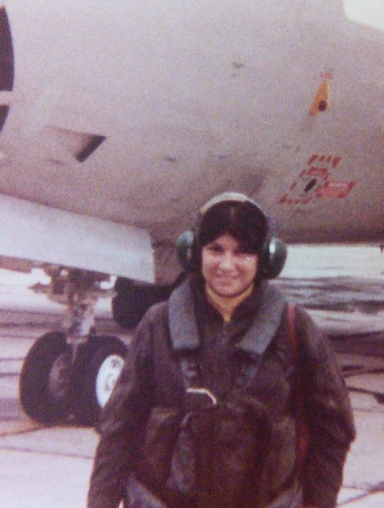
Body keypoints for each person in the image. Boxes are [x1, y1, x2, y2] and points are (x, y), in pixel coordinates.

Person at [87, 192, 355, 508]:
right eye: (215, 249)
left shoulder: (293, 329)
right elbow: (119, 430)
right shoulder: (158, 324)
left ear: (265, 259)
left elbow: (334, 430)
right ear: (194, 253)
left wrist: (317, 503)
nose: (226, 265)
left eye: (242, 252)